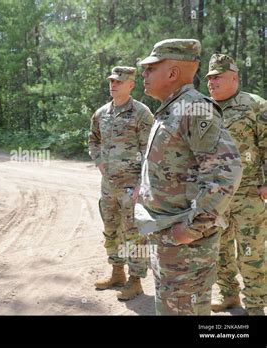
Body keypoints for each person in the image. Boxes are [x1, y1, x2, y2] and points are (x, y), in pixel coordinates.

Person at [134, 39, 242, 315]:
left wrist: (191, 229)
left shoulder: (194, 108)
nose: (143, 74)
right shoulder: (171, 108)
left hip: (186, 244)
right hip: (169, 235)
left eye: (150, 68)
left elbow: (226, 171)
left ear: (172, 73)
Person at [206, 53, 266, 316]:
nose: (212, 82)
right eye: (209, 78)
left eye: (217, 77)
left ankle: (255, 307)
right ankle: (229, 295)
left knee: (251, 253)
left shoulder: (255, 105)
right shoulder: (204, 108)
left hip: (248, 194)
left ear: (234, 77)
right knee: (219, 249)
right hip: (216, 196)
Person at [89, 66, 153, 300]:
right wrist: (99, 163)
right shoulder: (101, 113)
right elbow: (93, 140)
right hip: (109, 187)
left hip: (132, 187)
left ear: (131, 85)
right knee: (111, 230)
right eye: (111, 81)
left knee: (134, 234)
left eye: (118, 81)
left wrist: (141, 186)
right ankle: (117, 273)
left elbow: (150, 151)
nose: (113, 84)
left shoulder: (141, 113)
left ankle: (135, 281)